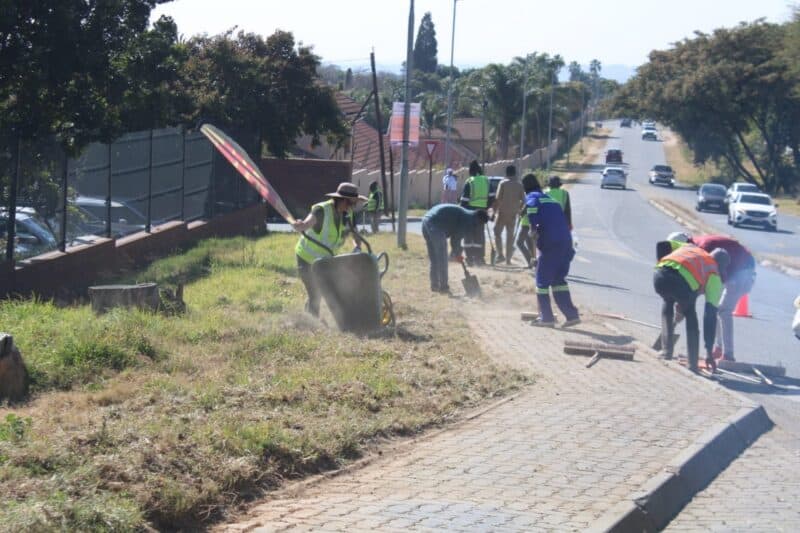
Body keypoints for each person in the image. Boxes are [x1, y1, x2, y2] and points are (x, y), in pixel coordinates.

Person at [666, 232, 755, 362]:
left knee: (724, 311)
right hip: (732, 269)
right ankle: (718, 349)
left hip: (744, 269)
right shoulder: (694, 248)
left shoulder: (703, 248)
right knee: (716, 308)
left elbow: (703, 281)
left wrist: (684, 304)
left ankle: (729, 355)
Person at [292, 182, 366, 317]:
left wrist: (358, 246)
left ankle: (308, 316)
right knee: (315, 293)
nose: (352, 207)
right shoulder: (321, 210)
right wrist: (300, 225)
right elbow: (307, 223)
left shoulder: (347, 213)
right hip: (306, 258)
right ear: (342, 200)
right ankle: (312, 326)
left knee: (326, 290)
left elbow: (355, 233)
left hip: (324, 261)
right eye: (351, 203)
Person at [654, 242, 730, 372]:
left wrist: (661, 263)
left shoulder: (691, 248)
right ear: (721, 267)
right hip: (682, 287)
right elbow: (709, 317)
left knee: (668, 302)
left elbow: (661, 245)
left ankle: (666, 352)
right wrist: (709, 352)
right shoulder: (714, 272)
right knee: (691, 316)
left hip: (660, 277)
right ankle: (692, 364)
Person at [523, 173, 580, 327]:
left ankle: (546, 318)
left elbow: (532, 210)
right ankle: (572, 315)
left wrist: (533, 229)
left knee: (541, 282)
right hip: (566, 243)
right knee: (558, 281)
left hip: (552, 245)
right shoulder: (551, 200)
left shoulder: (533, 197)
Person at [421, 204, 489, 294]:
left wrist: (457, 252)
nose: (478, 226)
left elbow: (455, 238)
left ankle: (435, 286)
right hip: (435, 225)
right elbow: (455, 240)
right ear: (479, 219)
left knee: (435, 259)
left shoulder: (467, 214)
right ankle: (444, 287)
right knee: (442, 259)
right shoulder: (469, 219)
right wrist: (458, 254)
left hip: (426, 222)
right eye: (480, 224)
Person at [492, 165, 526, 265]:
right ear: (515, 173)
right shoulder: (519, 185)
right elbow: (524, 200)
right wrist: (519, 210)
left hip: (502, 213)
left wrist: (494, 212)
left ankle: (500, 254)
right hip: (513, 214)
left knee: (497, 232)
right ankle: (508, 259)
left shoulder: (502, 183)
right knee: (510, 237)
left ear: (506, 173)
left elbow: (498, 199)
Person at [460, 160, 489, 265]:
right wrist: (486, 209)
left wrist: (461, 212)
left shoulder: (470, 181)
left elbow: (464, 200)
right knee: (480, 236)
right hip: (482, 213)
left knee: (469, 235)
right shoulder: (486, 180)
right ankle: (480, 258)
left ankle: (469, 258)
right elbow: (491, 197)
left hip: (470, 212)